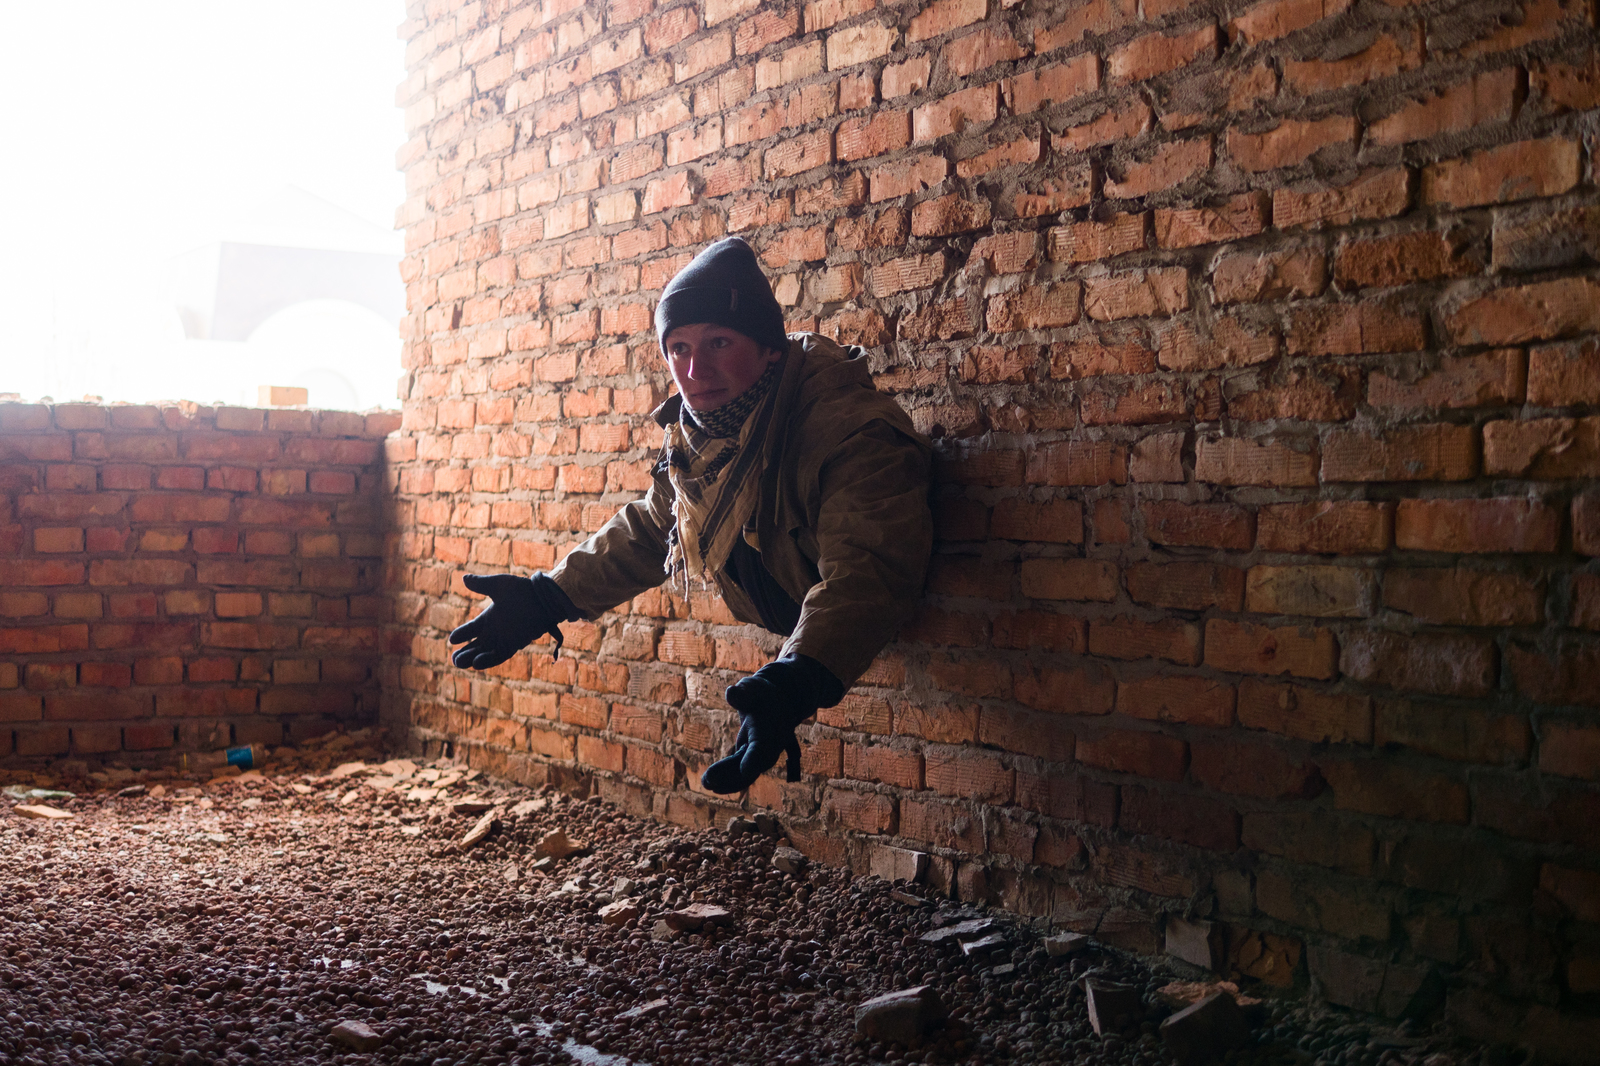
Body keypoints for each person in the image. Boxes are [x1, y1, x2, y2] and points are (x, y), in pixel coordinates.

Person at [448, 236, 933, 794]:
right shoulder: (702, 440)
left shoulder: (848, 434)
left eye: (719, 341)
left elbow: (869, 573)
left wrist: (797, 679)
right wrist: (547, 597)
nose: (695, 369)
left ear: (769, 349)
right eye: (677, 348)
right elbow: (659, 526)